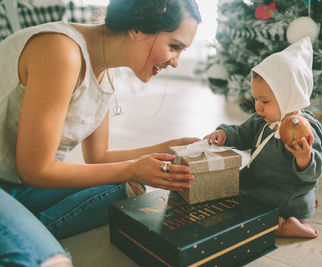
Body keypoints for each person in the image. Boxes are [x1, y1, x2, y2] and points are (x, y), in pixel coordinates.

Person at [0, 0, 201, 266]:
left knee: (127, 188)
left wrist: (167, 147)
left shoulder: (105, 71)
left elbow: (98, 156)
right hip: (21, 177)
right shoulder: (61, 51)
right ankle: (28, 240)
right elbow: (34, 170)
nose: (175, 62)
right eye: (174, 46)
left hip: (15, 183)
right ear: (137, 28)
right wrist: (131, 168)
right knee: (52, 263)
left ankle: (19, 231)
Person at [205, 37, 322, 238]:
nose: (258, 106)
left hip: (288, 191)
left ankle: (284, 224)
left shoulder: (307, 129)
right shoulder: (260, 121)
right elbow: (242, 134)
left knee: (249, 207)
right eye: (255, 99)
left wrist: (304, 158)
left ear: (290, 96)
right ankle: (285, 218)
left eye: (265, 100)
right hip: (258, 181)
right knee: (231, 189)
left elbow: (316, 169)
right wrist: (225, 134)